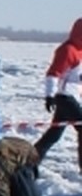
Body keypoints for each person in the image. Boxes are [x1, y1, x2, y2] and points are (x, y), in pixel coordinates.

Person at [34, 18, 82, 172]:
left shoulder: (80, 50)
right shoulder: (67, 50)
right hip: (64, 96)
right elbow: (53, 74)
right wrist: (50, 95)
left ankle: (29, 164)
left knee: (53, 134)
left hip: (74, 96)